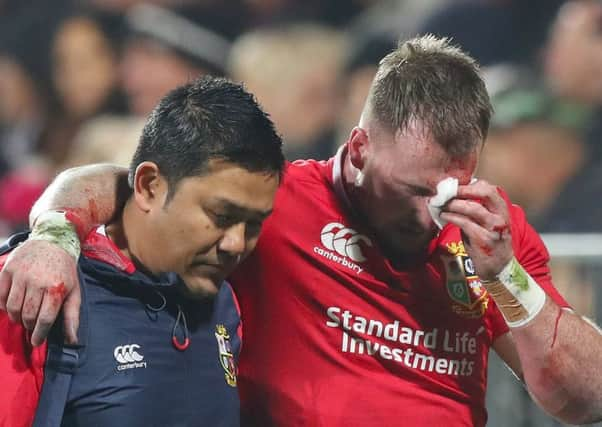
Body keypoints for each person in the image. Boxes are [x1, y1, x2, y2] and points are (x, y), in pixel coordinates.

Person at [2, 35, 602, 426]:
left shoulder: (489, 234)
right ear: (361, 148)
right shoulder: (276, 198)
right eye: (417, 191)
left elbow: (582, 399)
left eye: (453, 189)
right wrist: (54, 237)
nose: (434, 217)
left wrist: (509, 280)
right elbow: (129, 185)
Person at [0, 76, 284, 427]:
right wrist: (55, 231)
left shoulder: (227, 303)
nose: (237, 244)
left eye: (254, 223)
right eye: (221, 216)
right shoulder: (35, 286)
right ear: (149, 186)